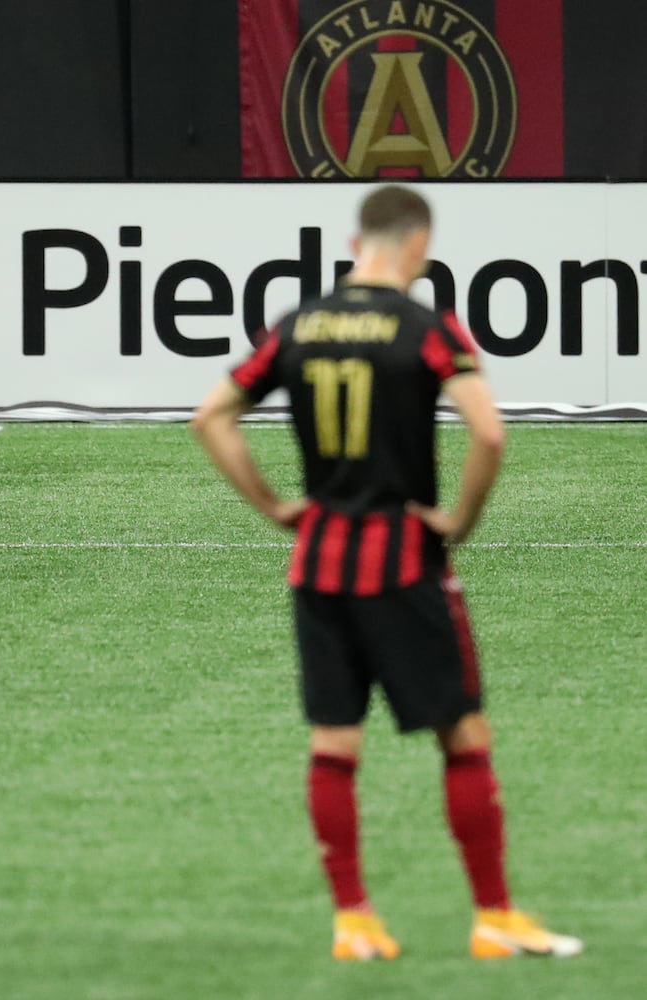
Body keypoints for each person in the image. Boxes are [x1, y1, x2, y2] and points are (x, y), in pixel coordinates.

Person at [190, 185, 581, 962]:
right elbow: (490, 434)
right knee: (463, 735)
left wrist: (274, 506)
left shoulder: (298, 325)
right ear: (420, 247)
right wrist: (458, 523)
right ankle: (494, 917)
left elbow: (211, 418)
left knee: (335, 744)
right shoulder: (427, 327)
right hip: (405, 563)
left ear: (353, 241)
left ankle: (354, 922)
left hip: (319, 563)